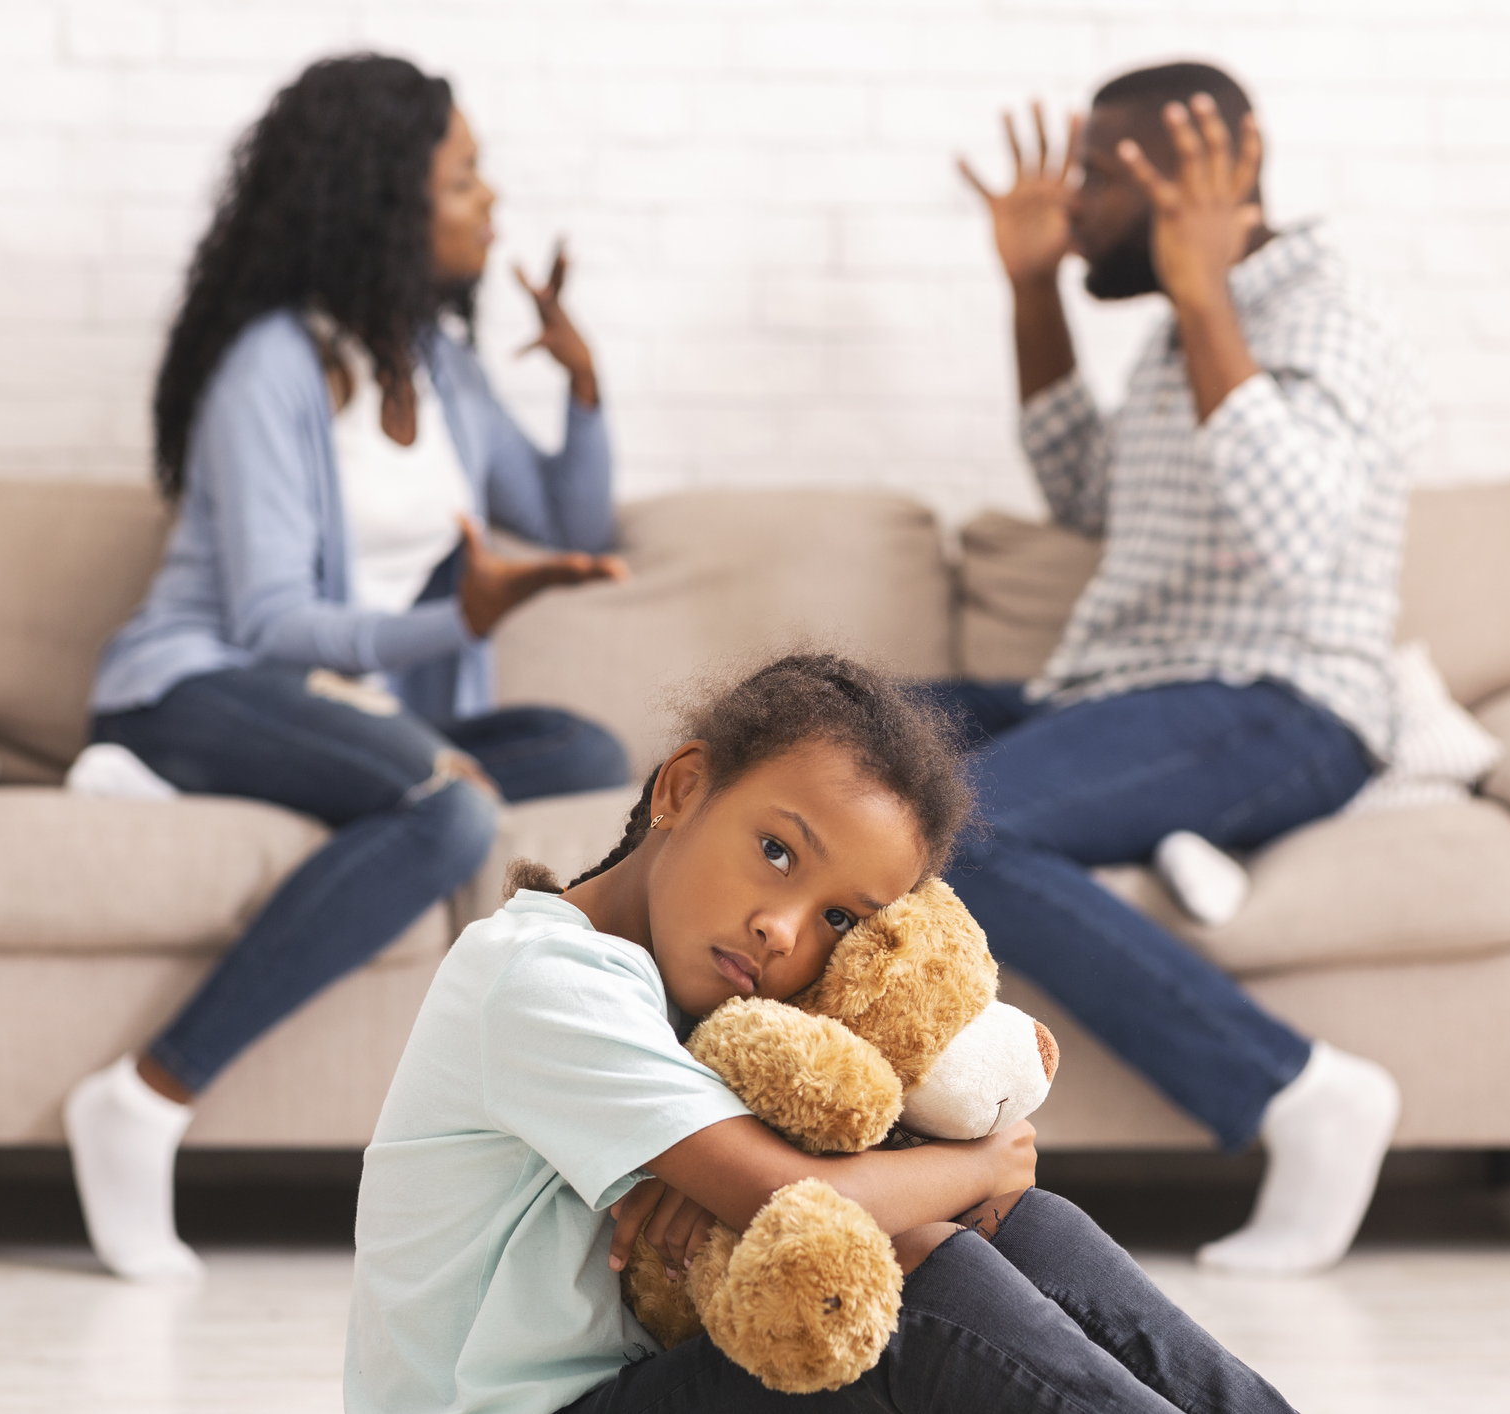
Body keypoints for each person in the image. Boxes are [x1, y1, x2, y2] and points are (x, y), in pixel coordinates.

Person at [346, 652, 1300, 1414]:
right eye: (775, 851)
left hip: (639, 1385)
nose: (783, 929)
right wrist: (982, 1165)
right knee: (914, 1281)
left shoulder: (713, 1012)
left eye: (842, 920)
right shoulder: (543, 975)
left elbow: (828, 1185)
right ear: (682, 787)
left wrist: (780, 1190)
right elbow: (797, 1196)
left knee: (1023, 1231)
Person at [63, 53, 633, 1282]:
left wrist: (584, 387)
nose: (493, 199)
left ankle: (227, 789)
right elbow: (268, 618)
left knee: (587, 753)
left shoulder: (441, 364)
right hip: (200, 683)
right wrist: (457, 625)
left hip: (340, 706)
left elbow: (574, 525)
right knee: (449, 805)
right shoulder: (270, 364)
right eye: (465, 177)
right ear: (384, 198)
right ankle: (146, 1095)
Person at [944, 61, 1430, 1276]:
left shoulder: (1323, 313)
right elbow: (1091, 493)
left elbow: (1295, 533)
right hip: (1123, 688)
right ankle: (1157, 828)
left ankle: (1303, 1091)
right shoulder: (1177, 325)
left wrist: (1208, 297)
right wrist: (1029, 288)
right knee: (837, 746)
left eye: (1103, 179)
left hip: (1282, 699)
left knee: (965, 822)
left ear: (1212, 173)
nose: (1079, 205)